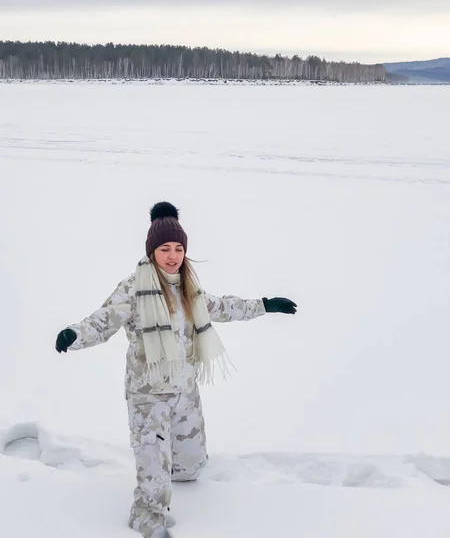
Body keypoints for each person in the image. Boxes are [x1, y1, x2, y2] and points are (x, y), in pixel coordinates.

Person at [55, 202, 297, 538]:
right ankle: (149, 524)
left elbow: (223, 307)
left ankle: (174, 465)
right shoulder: (133, 289)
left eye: (179, 248)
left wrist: (264, 305)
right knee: (154, 485)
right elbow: (102, 321)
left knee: (191, 468)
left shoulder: (188, 288)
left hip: (185, 393)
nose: (172, 256)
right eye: (165, 248)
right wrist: (75, 334)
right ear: (151, 251)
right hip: (148, 398)